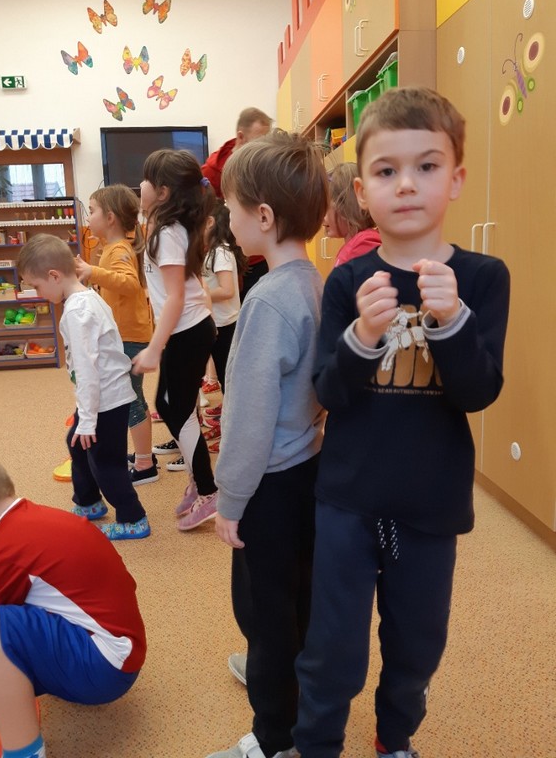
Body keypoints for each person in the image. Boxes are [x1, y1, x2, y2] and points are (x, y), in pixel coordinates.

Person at [292, 86, 510, 758]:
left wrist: (452, 320)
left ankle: (395, 738)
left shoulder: (483, 277)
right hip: (348, 497)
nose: (407, 184)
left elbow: (477, 392)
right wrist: (362, 334)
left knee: (418, 645)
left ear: (456, 179)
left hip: (430, 502)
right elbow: (328, 391)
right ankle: (317, 744)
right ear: (362, 191)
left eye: (427, 166)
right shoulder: (347, 281)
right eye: (387, 170)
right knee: (333, 645)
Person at [207, 130, 328, 758]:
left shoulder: (267, 300)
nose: (226, 220)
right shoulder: (312, 283)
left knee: (264, 611)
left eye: (230, 208)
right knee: (295, 599)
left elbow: (250, 418)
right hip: (304, 469)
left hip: (267, 483)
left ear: (262, 216)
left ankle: (273, 736)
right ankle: (292, 701)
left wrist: (229, 500)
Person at [0, 446, 146, 758]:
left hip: (103, 669)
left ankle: (25, 752)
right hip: (121, 655)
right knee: (2, 626)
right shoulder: (37, 519)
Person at [17, 234, 150, 541]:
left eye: (36, 286)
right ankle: (88, 502)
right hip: (100, 397)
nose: (38, 293)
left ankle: (133, 518)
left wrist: (88, 419)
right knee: (77, 444)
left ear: (54, 276)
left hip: (105, 400)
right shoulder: (86, 298)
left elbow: (89, 372)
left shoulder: (78, 313)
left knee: (106, 462)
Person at [132, 149, 218, 531]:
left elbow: (176, 297)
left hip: (188, 330)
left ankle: (208, 490)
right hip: (189, 328)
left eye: (146, 179)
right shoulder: (167, 227)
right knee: (167, 405)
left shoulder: (169, 233)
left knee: (176, 408)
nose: (140, 184)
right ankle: (198, 480)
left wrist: (154, 348)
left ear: (163, 192)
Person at [74, 184, 157, 486]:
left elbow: (130, 284)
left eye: (92, 211)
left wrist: (93, 272)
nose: (88, 217)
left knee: (131, 400)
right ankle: (145, 454)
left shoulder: (119, 249)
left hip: (129, 337)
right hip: (126, 334)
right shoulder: (112, 248)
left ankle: (145, 464)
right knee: (134, 397)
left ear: (110, 218)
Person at [201, 107, 272, 300]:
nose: (262, 148)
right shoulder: (211, 172)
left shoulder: (264, 164)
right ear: (241, 137)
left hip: (259, 256)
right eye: (258, 141)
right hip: (228, 259)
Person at [200, 198, 247, 451]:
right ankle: (227, 427)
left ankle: (234, 436)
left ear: (212, 223)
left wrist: (199, 294)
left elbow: (227, 290)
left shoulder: (221, 252)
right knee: (222, 382)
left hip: (226, 325)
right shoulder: (212, 251)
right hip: (215, 323)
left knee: (230, 384)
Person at [324, 162, 382, 266]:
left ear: (345, 205)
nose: (322, 217)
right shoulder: (352, 245)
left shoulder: (364, 244)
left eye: (326, 207)